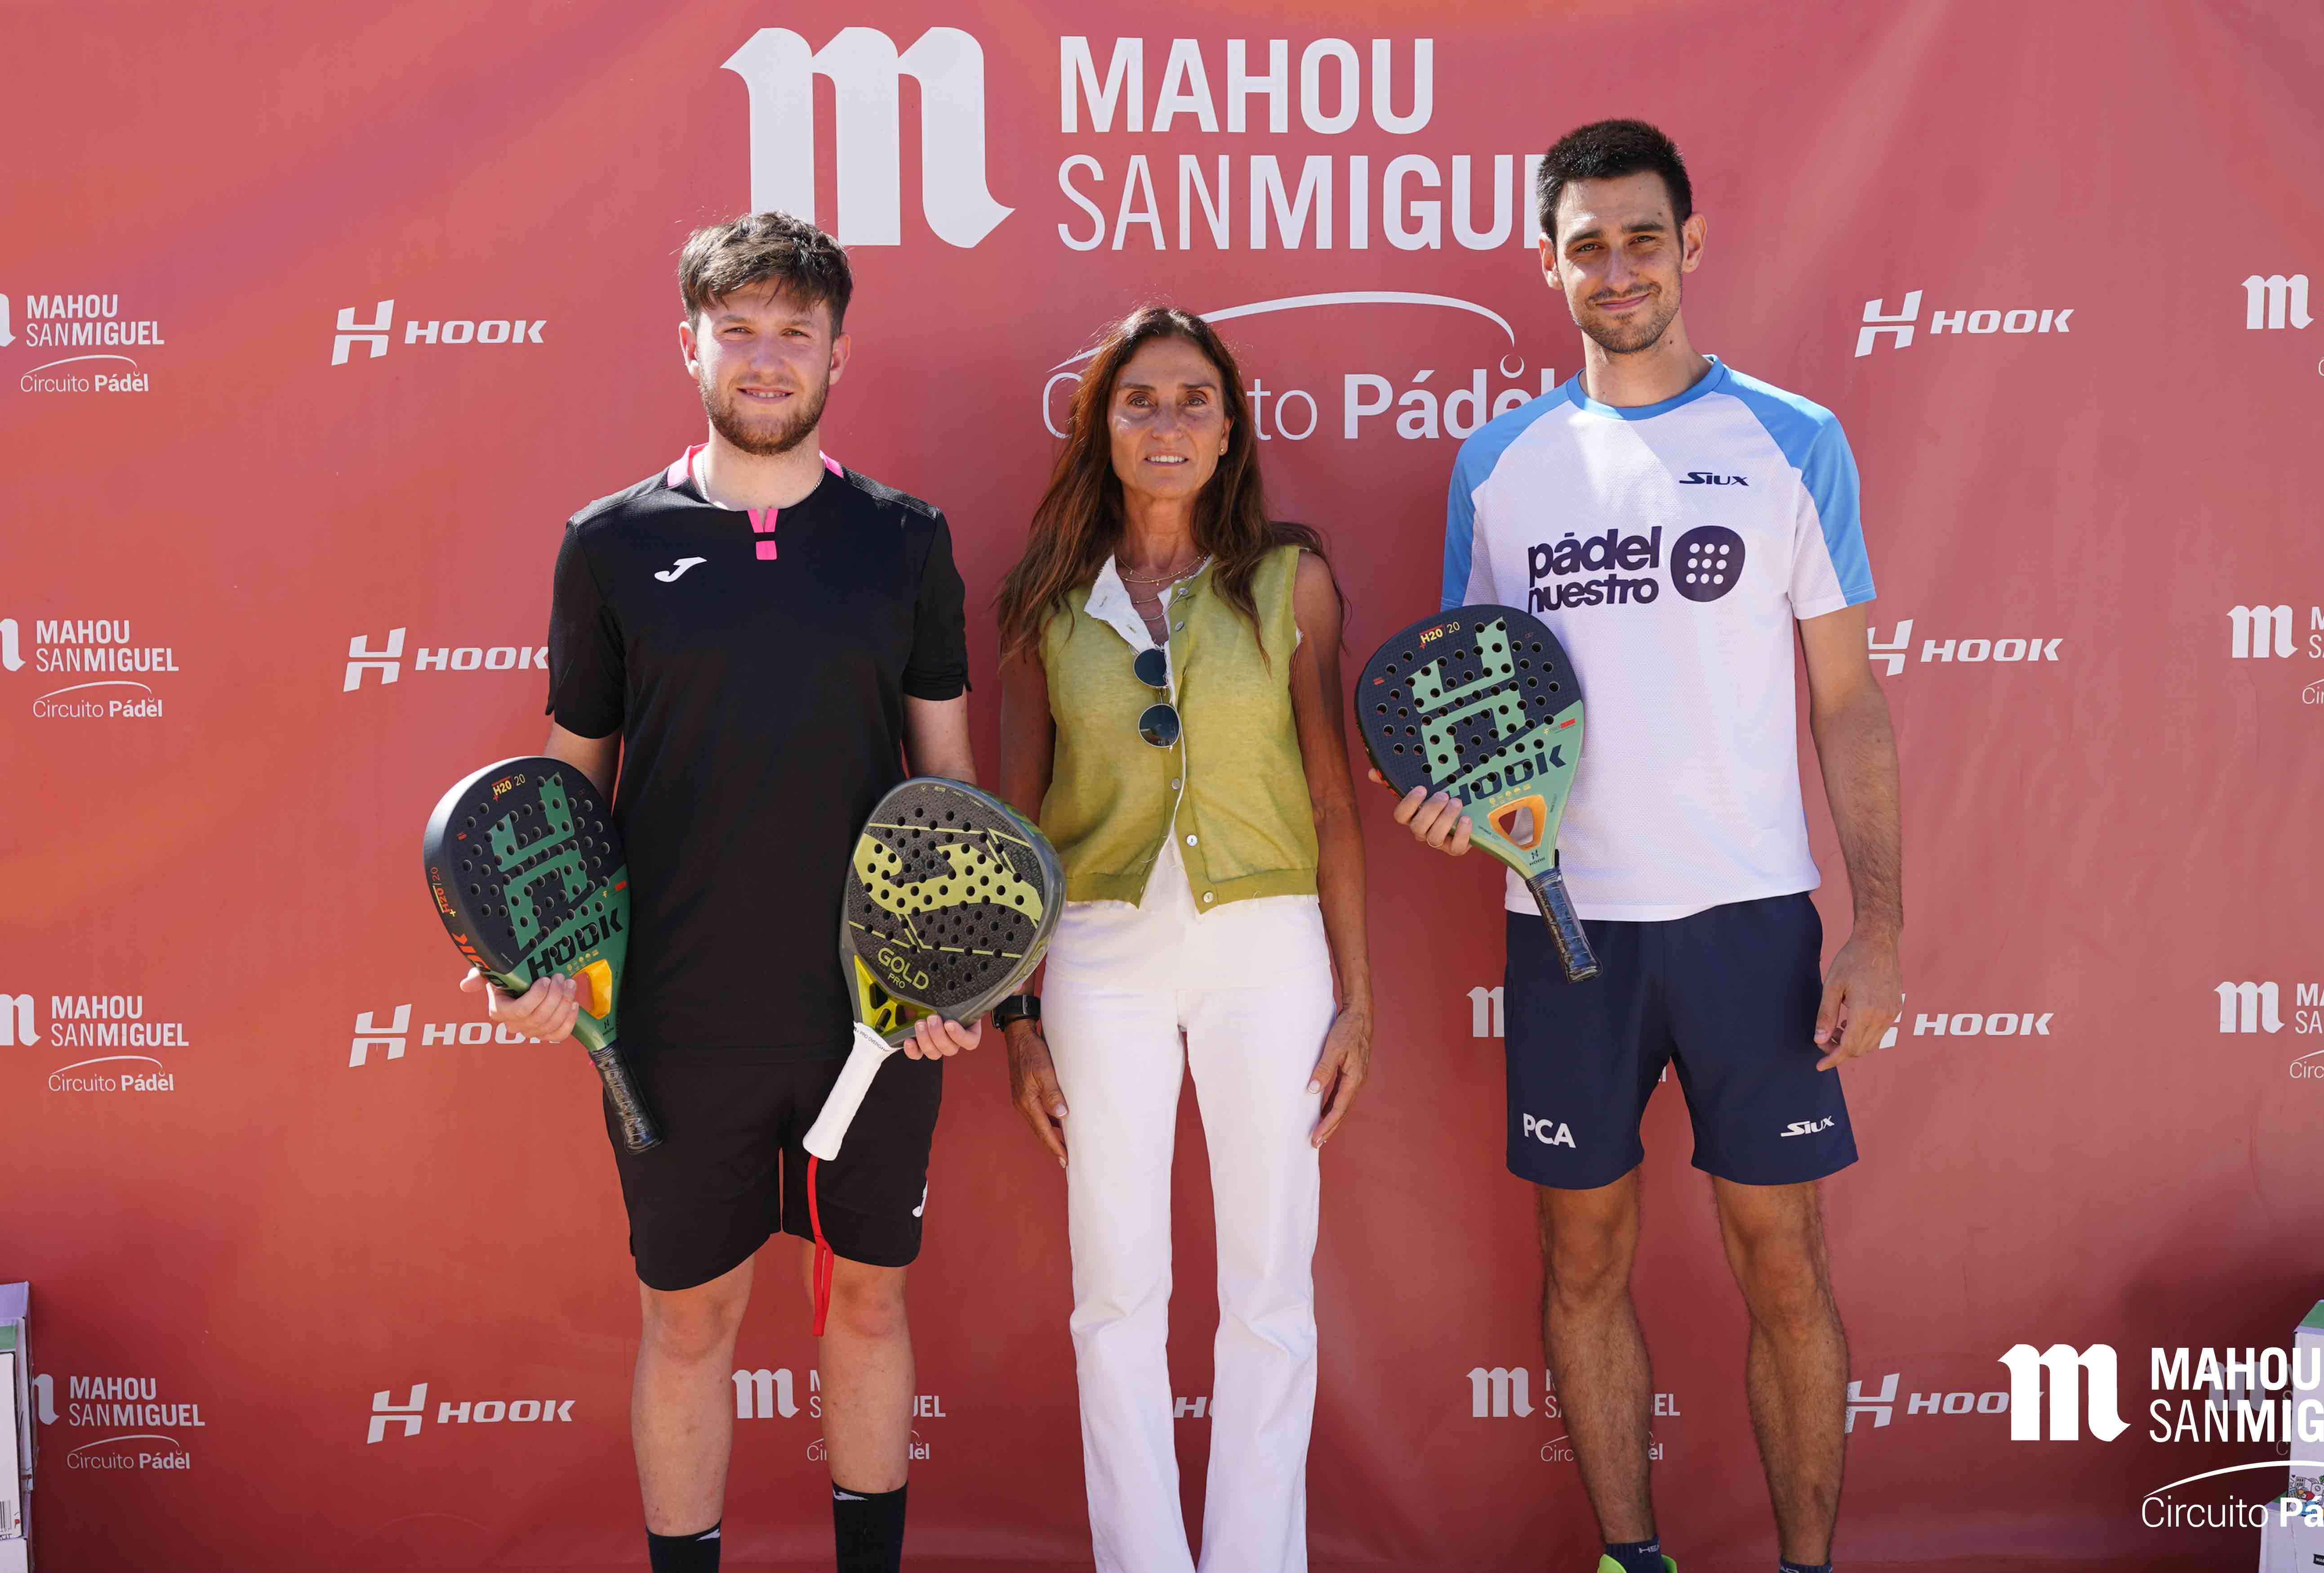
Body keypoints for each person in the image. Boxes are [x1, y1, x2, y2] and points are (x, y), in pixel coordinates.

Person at [1385, 121, 1904, 1573]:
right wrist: (1456, 810)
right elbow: (1475, 704)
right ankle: (1633, 1559)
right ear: (1545, 265)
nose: (1617, 269)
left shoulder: (1793, 439)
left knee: (1783, 1262)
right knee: (1584, 1262)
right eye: (1587, 245)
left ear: (1691, 245)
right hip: (1572, 929)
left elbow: (1850, 702)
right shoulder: (1500, 466)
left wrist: (1881, 926)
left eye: (1642, 239)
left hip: (1752, 923)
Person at [460, 211, 980, 1573]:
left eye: (795, 332)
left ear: (838, 355)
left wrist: (958, 976)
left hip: (871, 1011)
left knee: (867, 1306)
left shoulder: (906, 541)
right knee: (690, 1322)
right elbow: (567, 798)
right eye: (737, 329)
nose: (766, 357)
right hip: (675, 1017)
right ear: (687, 345)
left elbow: (950, 790)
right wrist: (538, 964)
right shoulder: (609, 544)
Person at [993, 306, 1373, 1573]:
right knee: (1116, 1291)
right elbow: (1015, 831)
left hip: (1270, 949)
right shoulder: (1045, 603)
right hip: (1099, 958)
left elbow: (1332, 800)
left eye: (1193, 401)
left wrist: (1358, 1000)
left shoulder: (1289, 581)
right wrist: (1018, 1020)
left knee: (1270, 1284)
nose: (1167, 424)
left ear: (1229, 431)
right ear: (1100, 426)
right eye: (1139, 401)